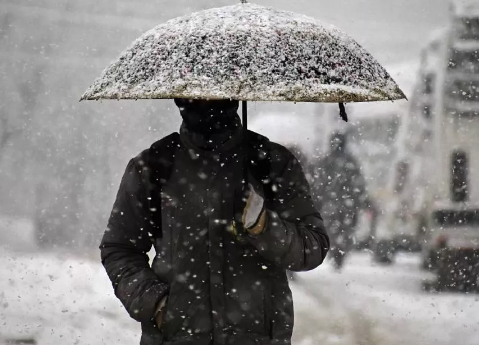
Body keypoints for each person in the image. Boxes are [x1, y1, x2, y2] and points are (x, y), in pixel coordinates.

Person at [100, 99, 329, 345]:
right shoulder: (154, 166)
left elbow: (312, 247)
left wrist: (263, 226)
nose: (205, 102)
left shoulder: (271, 163)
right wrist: (157, 305)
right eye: (193, 94)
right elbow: (120, 249)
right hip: (176, 338)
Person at [314, 131, 372, 271]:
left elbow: (318, 185)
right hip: (347, 206)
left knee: (332, 231)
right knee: (345, 231)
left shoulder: (325, 162)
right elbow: (358, 185)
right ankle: (339, 253)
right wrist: (362, 201)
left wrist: (316, 201)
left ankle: (335, 252)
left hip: (331, 205)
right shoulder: (351, 162)